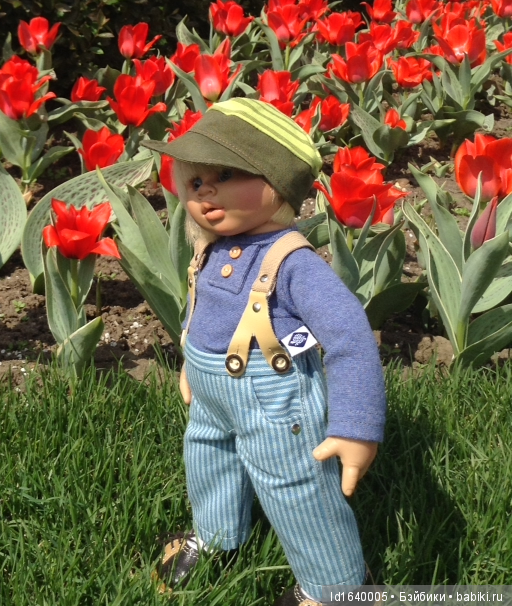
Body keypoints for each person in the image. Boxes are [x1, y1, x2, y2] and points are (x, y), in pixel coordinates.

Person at [144, 98, 385, 604]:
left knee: (294, 483)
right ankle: (217, 537)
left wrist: (355, 427)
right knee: (208, 458)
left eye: (224, 174)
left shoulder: (294, 262)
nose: (203, 190)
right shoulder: (209, 249)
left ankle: (334, 584)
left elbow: (349, 338)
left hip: (274, 401)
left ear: (275, 181)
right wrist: (192, 366)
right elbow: (200, 311)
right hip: (213, 393)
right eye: (193, 182)